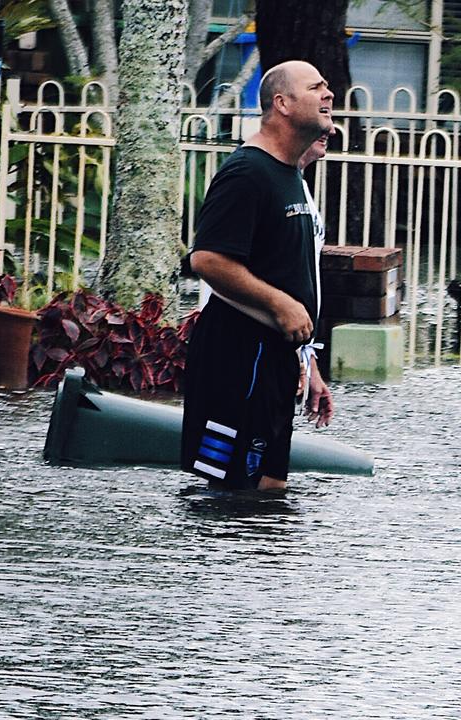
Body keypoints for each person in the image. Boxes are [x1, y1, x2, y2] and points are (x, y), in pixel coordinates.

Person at [181, 60, 336, 495]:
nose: (329, 94)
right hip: (238, 359)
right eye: (316, 87)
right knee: (226, 493)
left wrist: (308, 360)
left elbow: (287, 270)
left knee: (268, 490)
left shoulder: (289, 176)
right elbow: (208, 259)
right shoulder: (248, 172)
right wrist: (280, 305)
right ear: (281, 103)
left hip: (275, 360)